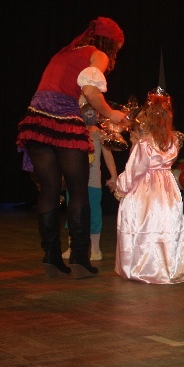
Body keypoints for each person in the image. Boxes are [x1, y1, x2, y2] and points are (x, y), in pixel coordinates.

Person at [16, 17, 126, 278]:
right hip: (63, 117)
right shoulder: (97, 54)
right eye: (117, 48)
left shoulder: (64, 53)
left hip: (37, 118)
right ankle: (78, 257)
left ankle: (51, 256)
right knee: (78, 189)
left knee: (49, 189)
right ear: (110, 43)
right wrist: (111, 114)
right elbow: (90, 90)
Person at [114, 88, 184, 284]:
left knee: (142, 224)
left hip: (145, 188)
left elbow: (134, 170)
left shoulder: (145, 144)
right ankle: (166, 268)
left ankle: (141, 268)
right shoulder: (174, 140)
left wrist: (121, 188)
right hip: (167, 188)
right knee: (165, 226)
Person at [62, 109, 118, 262]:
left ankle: (95, 248)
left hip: (93, 183)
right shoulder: (72, 132)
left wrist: (114, 176)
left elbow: (108, 156)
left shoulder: (99, 134)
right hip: (74, 182)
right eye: (86, 111)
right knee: (73, 214)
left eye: (93, 111)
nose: (90, 114)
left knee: (94, 215)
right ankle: (72, 246)